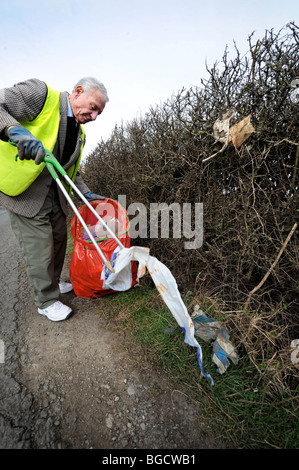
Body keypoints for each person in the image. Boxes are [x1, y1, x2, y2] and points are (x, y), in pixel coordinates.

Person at [0, 77, 109, 322]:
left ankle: (55, 282)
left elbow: (71, 170)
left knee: (59, 240)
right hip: (25, 191)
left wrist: (86, 193)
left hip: (56, 194)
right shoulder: (40, 95)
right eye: (93, 108)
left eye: (98, 114)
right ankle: (46, 301)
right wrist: (13, 131)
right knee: (40, 247)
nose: (94, 117)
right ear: (78, 91)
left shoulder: (79, 134)